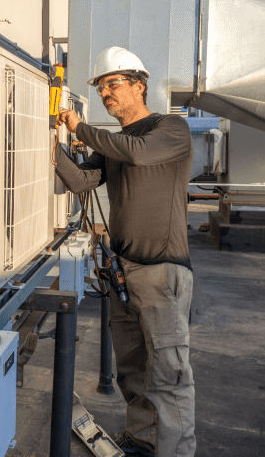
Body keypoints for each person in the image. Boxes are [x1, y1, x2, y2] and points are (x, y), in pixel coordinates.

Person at [54, 46, 195, 457]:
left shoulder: (169, 129)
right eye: (101, 88)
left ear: (140, 85)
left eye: (113, 84)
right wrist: (51, 147)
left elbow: (138, 153)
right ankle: (142, 438)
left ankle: (175, 452)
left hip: (162, 273)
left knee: (169, 375)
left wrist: (79, 127)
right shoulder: (115, 142)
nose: (106, 94)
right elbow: (82, 182)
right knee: (132, 371)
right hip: (123, 270)